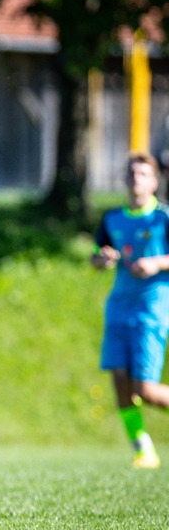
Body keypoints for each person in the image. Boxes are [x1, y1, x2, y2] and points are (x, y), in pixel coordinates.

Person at [91, 151, 169, 469]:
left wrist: (156, 263)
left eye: (143, 174)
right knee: (121, 384)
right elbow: (97, 256)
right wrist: (102, 259)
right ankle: (143, 450)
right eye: (131, 173)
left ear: (154, 181)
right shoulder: (112, 219)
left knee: (146, 390)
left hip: (151, 309)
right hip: (118, 309)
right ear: (124, 180)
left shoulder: (163, 218)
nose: (136, 179)